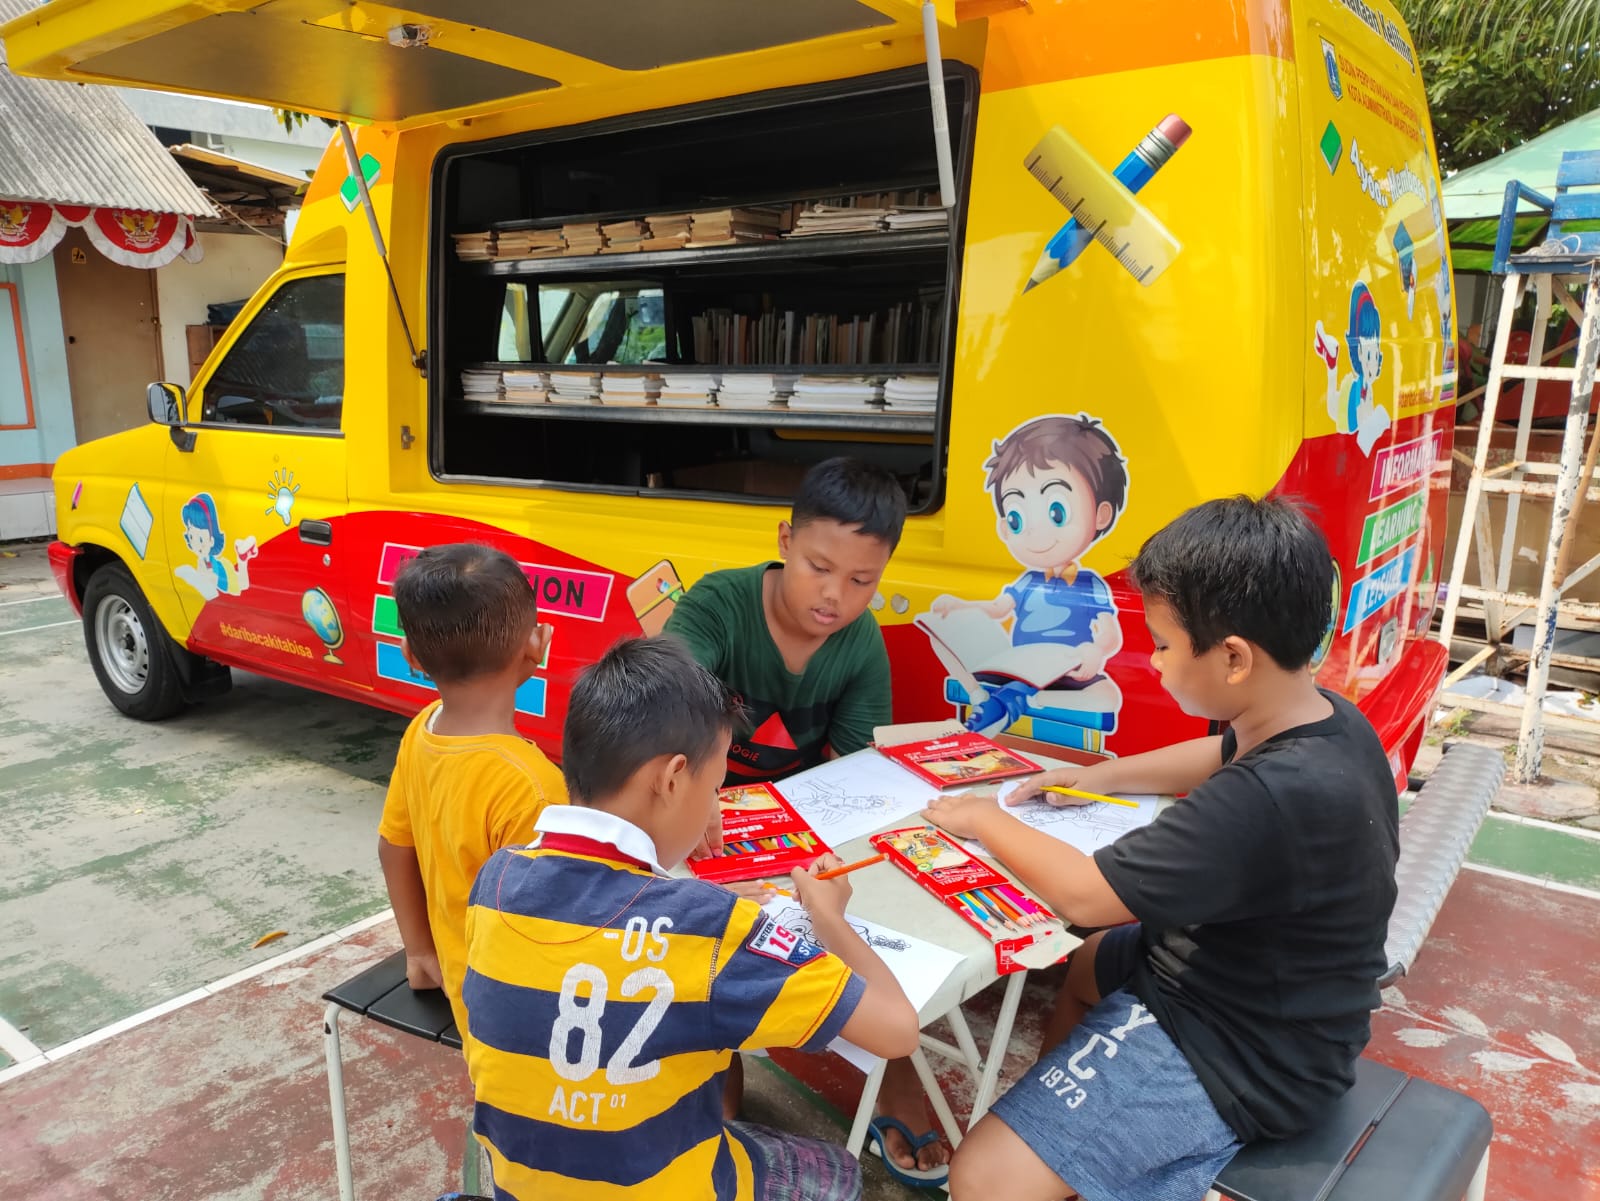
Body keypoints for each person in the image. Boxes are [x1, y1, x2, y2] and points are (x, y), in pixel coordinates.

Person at [923, 496, 1400, 1201]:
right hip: (1264, 988)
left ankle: (1047, 1157)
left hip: (1244, 1053)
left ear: (1233, 658)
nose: (1153, 659)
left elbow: (1086, 894)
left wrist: (982, 818)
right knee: (1088, 964)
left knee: (981, 1176)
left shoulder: (1267, 798)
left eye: (1165, 644)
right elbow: (1221, 751)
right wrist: (1102, 775)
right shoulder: (1324, 720)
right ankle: (1068, 1145)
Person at [461, 636, 920, 1201]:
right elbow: (896, 1030)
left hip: (520, 1185)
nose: (714, 808)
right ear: (673, 777)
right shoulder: (710, 927)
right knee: (841, 1173)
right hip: (670, 1187)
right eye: (717, 786)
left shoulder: (497, 879)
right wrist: (829, 918)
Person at [662, 457, 947, 1184]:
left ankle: (894, 1066)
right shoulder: (718, 604)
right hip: (696, 822)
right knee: (694, 941)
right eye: (820, 568)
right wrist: (702, 789)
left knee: (863, 904)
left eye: (862, 581)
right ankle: (714, 1059)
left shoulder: (859, 641)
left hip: (795, 835)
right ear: (786, 540)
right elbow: (666, 707)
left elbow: (855, 774)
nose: (835, 596)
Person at [376, 543, 566, 1032]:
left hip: (462, 987)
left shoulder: (423, 730)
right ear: (537, 644)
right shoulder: (533, 787)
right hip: (514, 1025)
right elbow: (552, 931)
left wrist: (420, 952)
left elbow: (394, 845)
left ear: (410, 655)